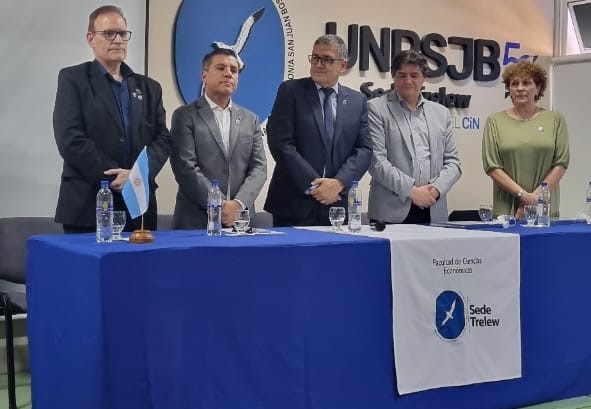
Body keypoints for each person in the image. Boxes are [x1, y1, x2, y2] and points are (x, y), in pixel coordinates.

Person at [53, 5, 171, 233]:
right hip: (88, 204)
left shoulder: (149, 87)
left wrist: (135, 176)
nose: (118, 40)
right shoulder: (73, 79)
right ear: (91, 39)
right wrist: (116, 177)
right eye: (109, 33)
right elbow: (70, 139)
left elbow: (163, 139)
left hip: (139, 207)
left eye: (122, 33)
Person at [264, 34, 372, 226]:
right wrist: (316, 186)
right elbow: (281, 143)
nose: (318, 64)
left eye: (327, 59)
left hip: (337, 204)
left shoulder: (357, 101)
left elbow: (364, 149)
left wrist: (339, 183)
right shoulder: (291, 91)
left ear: (342, 66)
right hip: (293, 204)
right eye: (315, 58)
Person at [170, 48, 267, 229]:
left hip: (240, 221)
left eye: (234, 70)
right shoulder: (185, 116)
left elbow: (259, 168)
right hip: (196, 221)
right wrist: (220, 206)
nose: (228, 74)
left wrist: (238, 204)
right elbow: (185, 167)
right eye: (221, 68)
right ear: (204, 76)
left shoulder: (250, 119)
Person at [367, 50, 461, 224]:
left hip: (433, 207)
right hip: (390, 212)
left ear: (424, 78)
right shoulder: (376, 108)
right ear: (394, 76)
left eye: (414, 75)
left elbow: (453, 163)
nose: (408, 81)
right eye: (402, 75)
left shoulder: (441, 113)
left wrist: (435, 190)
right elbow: (376, 162)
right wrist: (412, 191)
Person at [482, 60, 569, 219]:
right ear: (509, 89)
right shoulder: (494, 121)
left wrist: (535, 199)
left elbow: (561, 164)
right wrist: (524, 196)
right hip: (508, 211)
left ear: (538, 88)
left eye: (526, 83)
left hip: (544, 210)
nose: (520, 88)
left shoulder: (555, 120)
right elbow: (492, 167)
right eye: (514, 84)